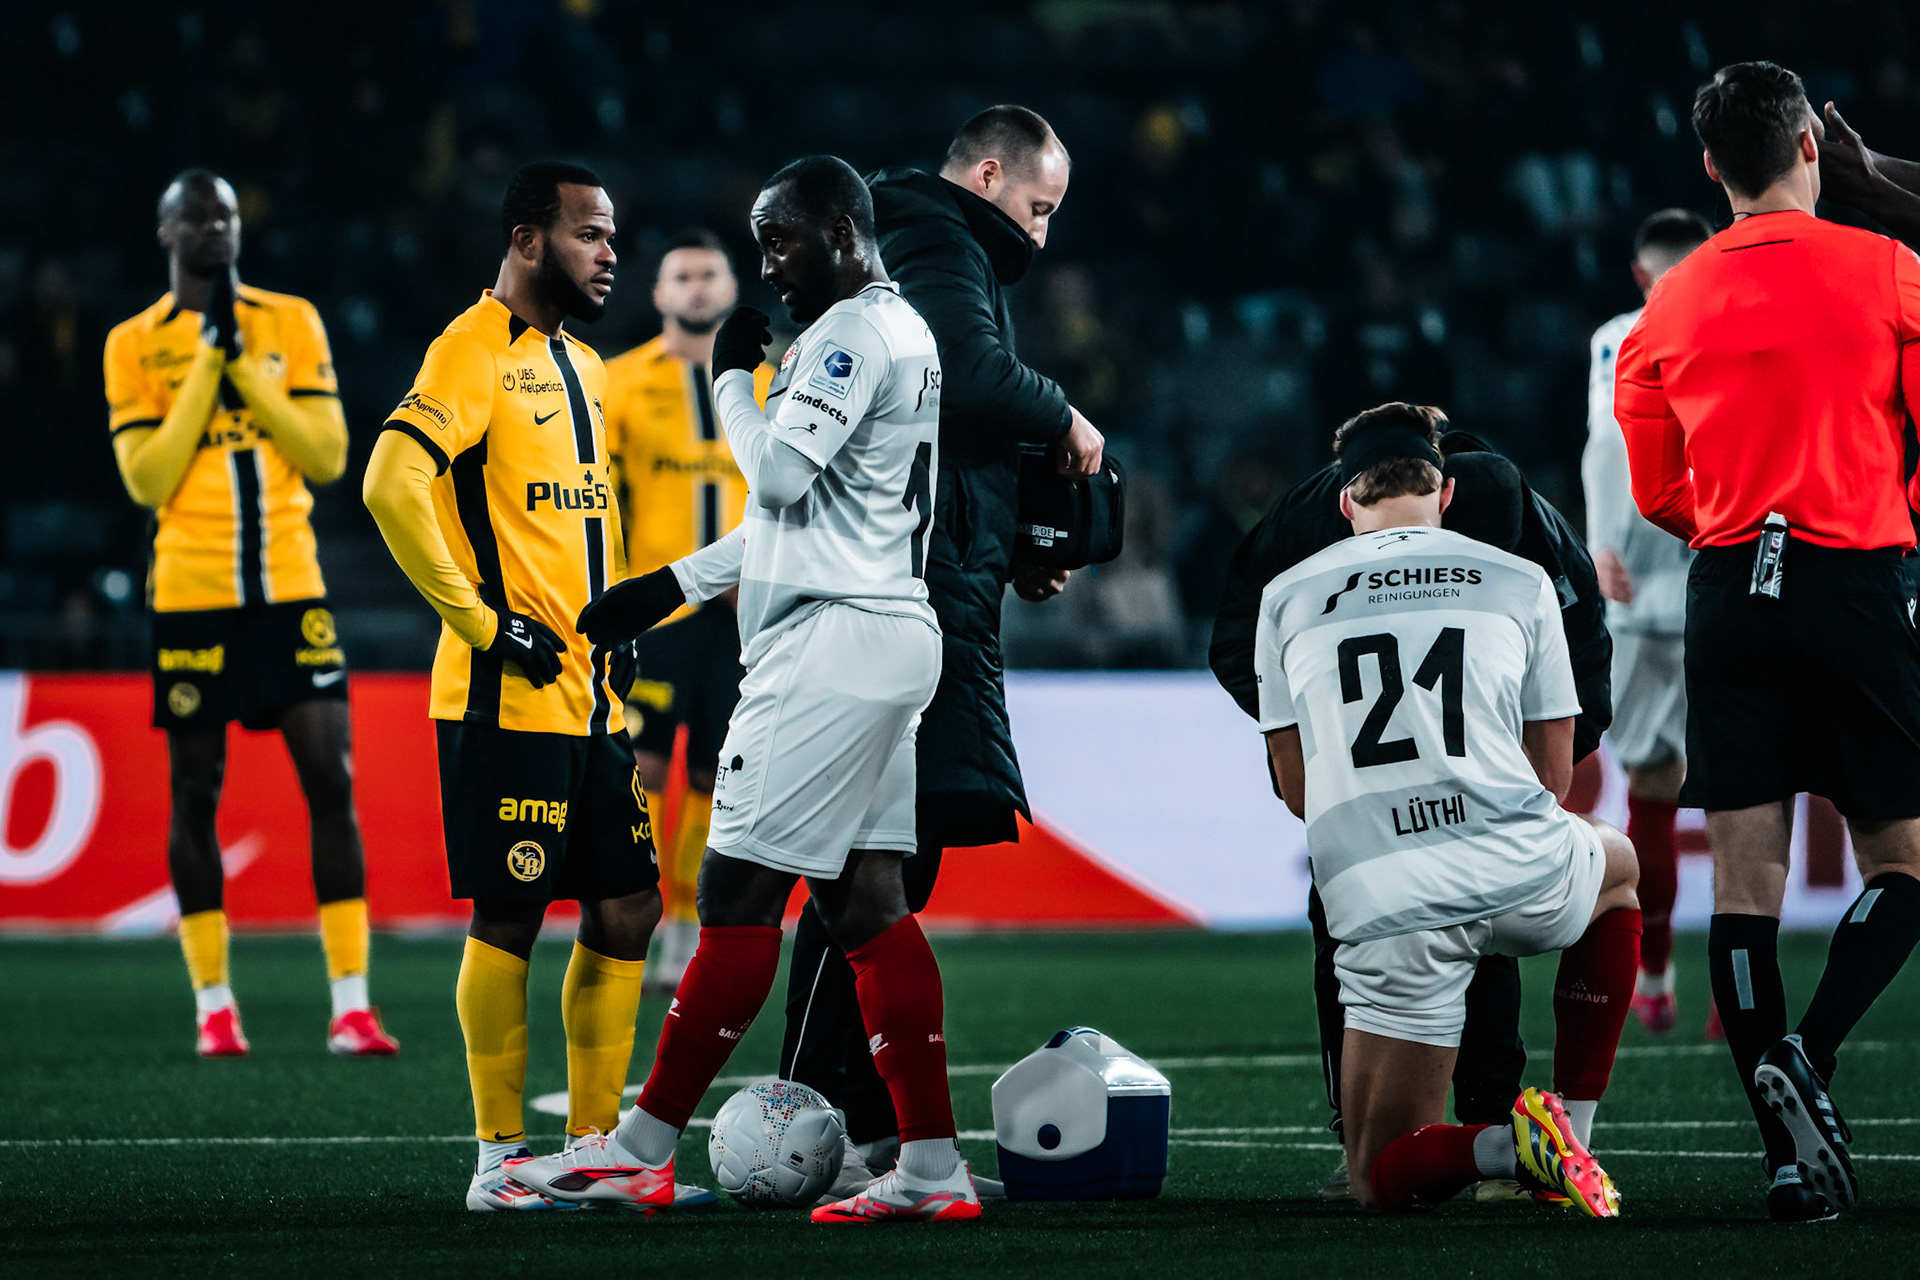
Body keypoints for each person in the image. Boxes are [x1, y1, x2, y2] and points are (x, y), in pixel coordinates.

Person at [507, 155, 973, 1224]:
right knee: (868, 904)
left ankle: (641, 1148)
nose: (768, 264)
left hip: (828, 645)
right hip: (885, 626)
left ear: (846, 233)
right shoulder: (897, 334)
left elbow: (773, 479)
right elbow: (802, 521)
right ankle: (935, 1166)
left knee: (736, 893)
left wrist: (724, 383)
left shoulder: (855, 333)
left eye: (782, 241)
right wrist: (667, 588)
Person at [774, 104, 1105, 1196]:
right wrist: (1063, 417)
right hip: (904, 605)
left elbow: (928, 435)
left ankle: (836, 1117)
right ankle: (840, 1121)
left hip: (923, 585)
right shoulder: (928, 231)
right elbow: (960, 374)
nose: (1043, 237)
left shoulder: (925, 240)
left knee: (881, 858)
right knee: (875, 864)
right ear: (992, 172)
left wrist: (1016, 540)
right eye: (1039, 208)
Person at [1616, 60, 1920, 1223]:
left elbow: (1657, 491)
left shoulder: (1670, 302)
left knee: (1744, 887)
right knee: (1905, 864)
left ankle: (1786, 1162)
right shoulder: (1890, 266)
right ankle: (1814, 1049)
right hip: (1853, 579)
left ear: (1710, 169)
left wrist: (1741, 531)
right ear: (1809, 147)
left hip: (1728, 591)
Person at [363, 161, 684, 1213]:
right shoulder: (467, 352)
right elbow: (388, 482)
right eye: (590, 234)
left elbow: (587, 511)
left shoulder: (586, 365)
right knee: (512, 911)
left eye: (612, 236)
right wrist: (480, 621)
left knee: (630, 903)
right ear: (526, 238)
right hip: (504, 696)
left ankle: (594, 1148)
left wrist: (621, 624)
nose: (609, 254)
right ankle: (499, 1156)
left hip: (591, 693)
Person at [1254, 403, 1642, 1216]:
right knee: (1619, 871)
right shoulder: (1518, 577)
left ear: (1344, 503)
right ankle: (1573, 1123)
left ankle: (1509, 1145)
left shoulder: (1287, 596)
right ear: (1448, 491)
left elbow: (1296, 790)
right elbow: (1553, 778)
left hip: (1391, 902)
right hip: (1520, 867)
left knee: (1380, 1176)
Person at [103, 169, 396, 1061]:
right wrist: (207, 367)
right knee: (196, 794)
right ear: (166, 233)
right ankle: (214, 1005)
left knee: (332, 782)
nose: (213, 228)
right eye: (195, 217)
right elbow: (146, 480)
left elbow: (328, 454)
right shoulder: (133, 344)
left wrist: (243, 369)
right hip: (191, 597)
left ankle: (350, 1004)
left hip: (289, 591)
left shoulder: (290, 322)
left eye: (225, 214)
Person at [601, 228, 772, 992]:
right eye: (683, 276)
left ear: (732, 289)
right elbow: (597, 499)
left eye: (710, 274)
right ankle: (628, 914)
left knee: (714, 773)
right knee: (639, 768)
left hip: (742, 615)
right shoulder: (617, 381)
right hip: (657, 613)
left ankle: (681, 926)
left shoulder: (772, 384)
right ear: (660, 293)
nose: (698, 288)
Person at [1581, 208, 1712, 1034]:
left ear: (1640, 272)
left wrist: (1595, 543)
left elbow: (1606, 441)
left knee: (1651, 798)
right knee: (1746, 798)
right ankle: (1739, 1002)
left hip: (1632, 586)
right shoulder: (1740, 322)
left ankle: (1655, 981)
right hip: (1724, 579)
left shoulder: (1616, 336)